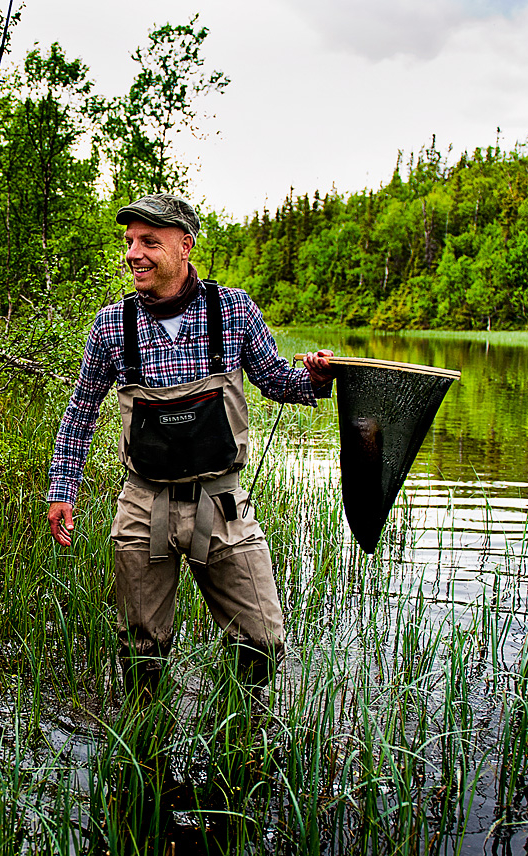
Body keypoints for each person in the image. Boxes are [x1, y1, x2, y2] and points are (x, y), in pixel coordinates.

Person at [46, 192, 334, 697]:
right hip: (143, 504)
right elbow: (80, 413)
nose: (133, 254)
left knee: (262, 640)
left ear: (185, 246)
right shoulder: (112, 325)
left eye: (149, 242)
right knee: (141, 649)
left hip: (222, 503)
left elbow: (278, 381)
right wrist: (61, 490)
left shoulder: (233, 309)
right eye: (130, 242)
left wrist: (316, 377)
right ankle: (146, 743)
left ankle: (242, 739)